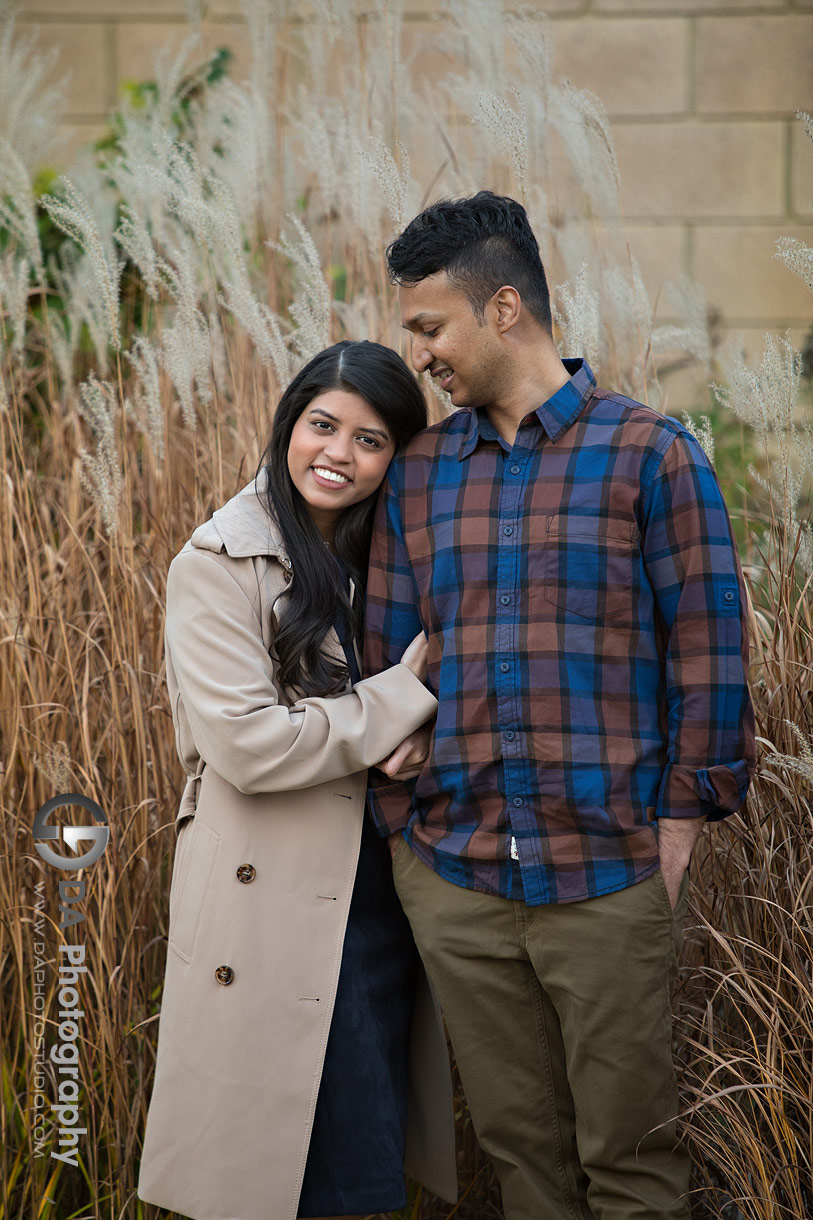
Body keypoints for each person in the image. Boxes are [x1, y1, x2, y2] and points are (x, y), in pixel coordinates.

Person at [363, 191, 757, 1220]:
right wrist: (405, 827)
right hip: (456, 874)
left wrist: (677, 830)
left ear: (503, 309)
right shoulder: (417, 476)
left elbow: (709, 653)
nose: (419, 354)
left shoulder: (649, 454)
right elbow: (383, 662)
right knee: (520, 1158)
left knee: (632, 1161)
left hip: (608, 873)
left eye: (430, 327)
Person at [136, 340, 458, 1220]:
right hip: (268, 892)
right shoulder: (216, 563)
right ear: (288, 424)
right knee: (277, 1173)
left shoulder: (391, 557)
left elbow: (419, 703)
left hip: (375, 888)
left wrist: (420, 732)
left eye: (369, 440)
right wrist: (399, 702)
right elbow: (248, 746)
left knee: (360, 1163)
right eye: (323, 426)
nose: (338, 454)